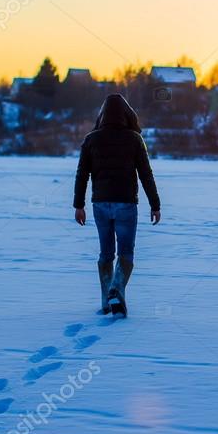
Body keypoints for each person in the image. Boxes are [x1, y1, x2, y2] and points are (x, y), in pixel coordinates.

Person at [74, 94, 161, 317]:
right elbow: (145, 174)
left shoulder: (91, 139)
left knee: (106, 253)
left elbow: (82, 174)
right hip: (126, 203)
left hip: (100, 204)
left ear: (102, 115)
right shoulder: (134, 139)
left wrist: (79, 205)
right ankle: (117, 288)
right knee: (126, 253)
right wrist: (155, 204)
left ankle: (106, 300)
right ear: (126, 114)